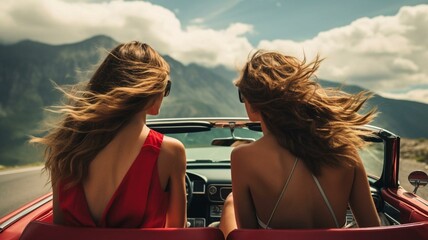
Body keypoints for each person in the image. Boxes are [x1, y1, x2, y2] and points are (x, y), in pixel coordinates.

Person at [218, 50, 380, 237]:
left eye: (243, 95)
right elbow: (373, 231)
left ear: (253, 102)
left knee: (230, 201)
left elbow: (249, 235)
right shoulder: (345, 149)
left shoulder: (243, 157)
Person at [31, 41, 187, 228]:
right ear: (152, 88)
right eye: (165, 86)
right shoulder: (170, 151)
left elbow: (60, 229)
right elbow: (177, 231)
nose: (164, 93)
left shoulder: (66, 144)